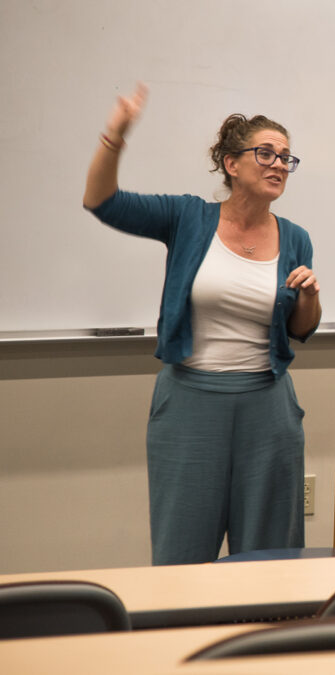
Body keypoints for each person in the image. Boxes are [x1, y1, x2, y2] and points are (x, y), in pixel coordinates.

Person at [83, 84, 322, 565]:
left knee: (270, 558)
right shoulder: (187, 217)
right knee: (182, 556)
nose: (278, 164)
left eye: (286, 158)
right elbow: (102, 201)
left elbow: (301, 329)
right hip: (190, 405)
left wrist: (311, 297)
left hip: (268, 409)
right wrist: (115, 135)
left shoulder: (295, 238)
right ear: (232, 164)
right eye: (266, 153)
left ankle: (265, 641)